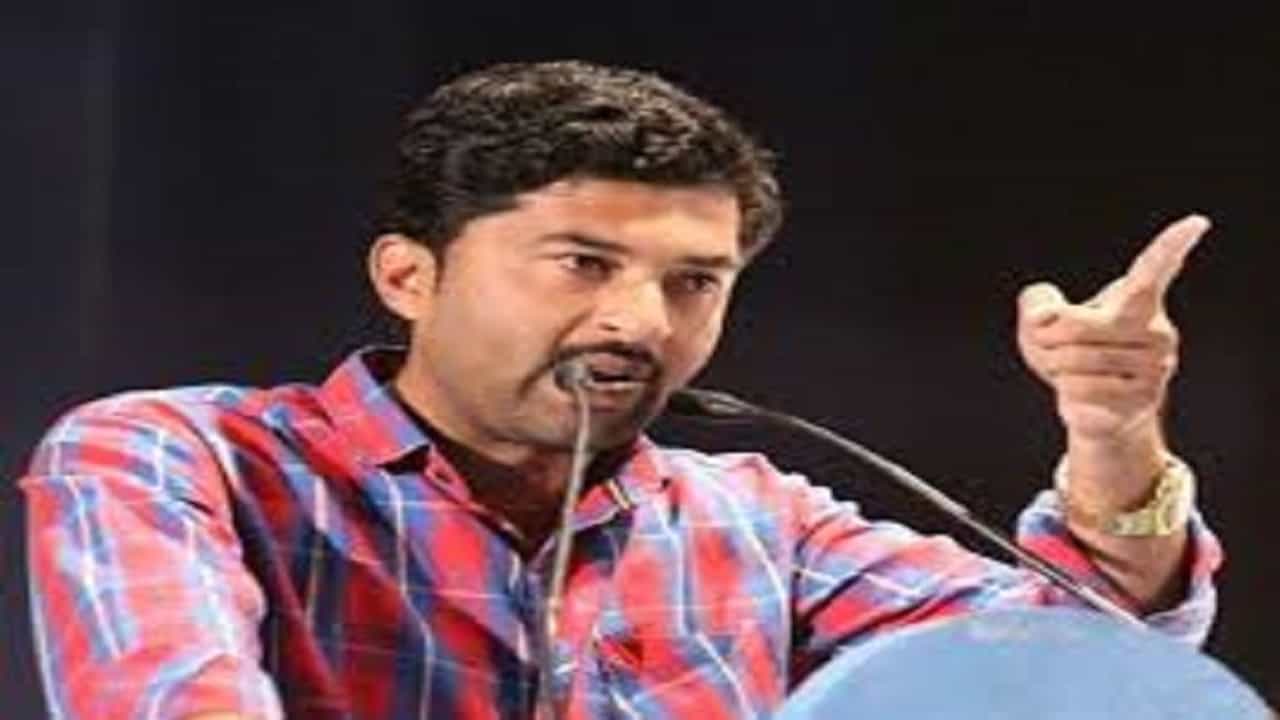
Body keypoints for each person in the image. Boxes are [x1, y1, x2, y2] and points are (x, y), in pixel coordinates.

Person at [21, 60, 1219, 719]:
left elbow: (1092, 663)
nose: (640, 322)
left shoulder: (761, 520)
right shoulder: (176, 457)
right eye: (582, 264)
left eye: (693, 283)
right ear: (407, 275)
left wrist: (1113, 433)